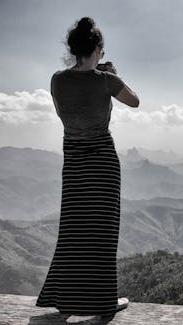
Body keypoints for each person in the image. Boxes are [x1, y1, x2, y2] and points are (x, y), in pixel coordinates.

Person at [35, 17, 139, 321]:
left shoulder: (57, 80)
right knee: (102, 232)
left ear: (74, 49)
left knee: (74, 229)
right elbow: (134, 101)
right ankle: (104, 302)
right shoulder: (106, 80)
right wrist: (113, 75)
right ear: (98, 50)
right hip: (103, 163)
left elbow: (62, 111)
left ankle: (65, 299)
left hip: (74, 162)